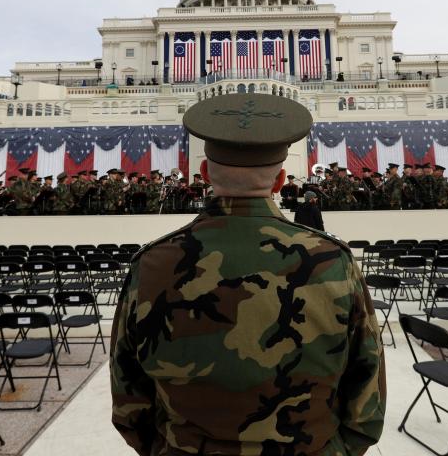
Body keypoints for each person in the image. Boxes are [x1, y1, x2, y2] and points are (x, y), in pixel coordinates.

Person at [111, 94, 386, 456]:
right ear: (280, 181)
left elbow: (128, 391)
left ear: (205, 174)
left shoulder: (152, 263)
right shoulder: (333, 259)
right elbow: (367, 382)